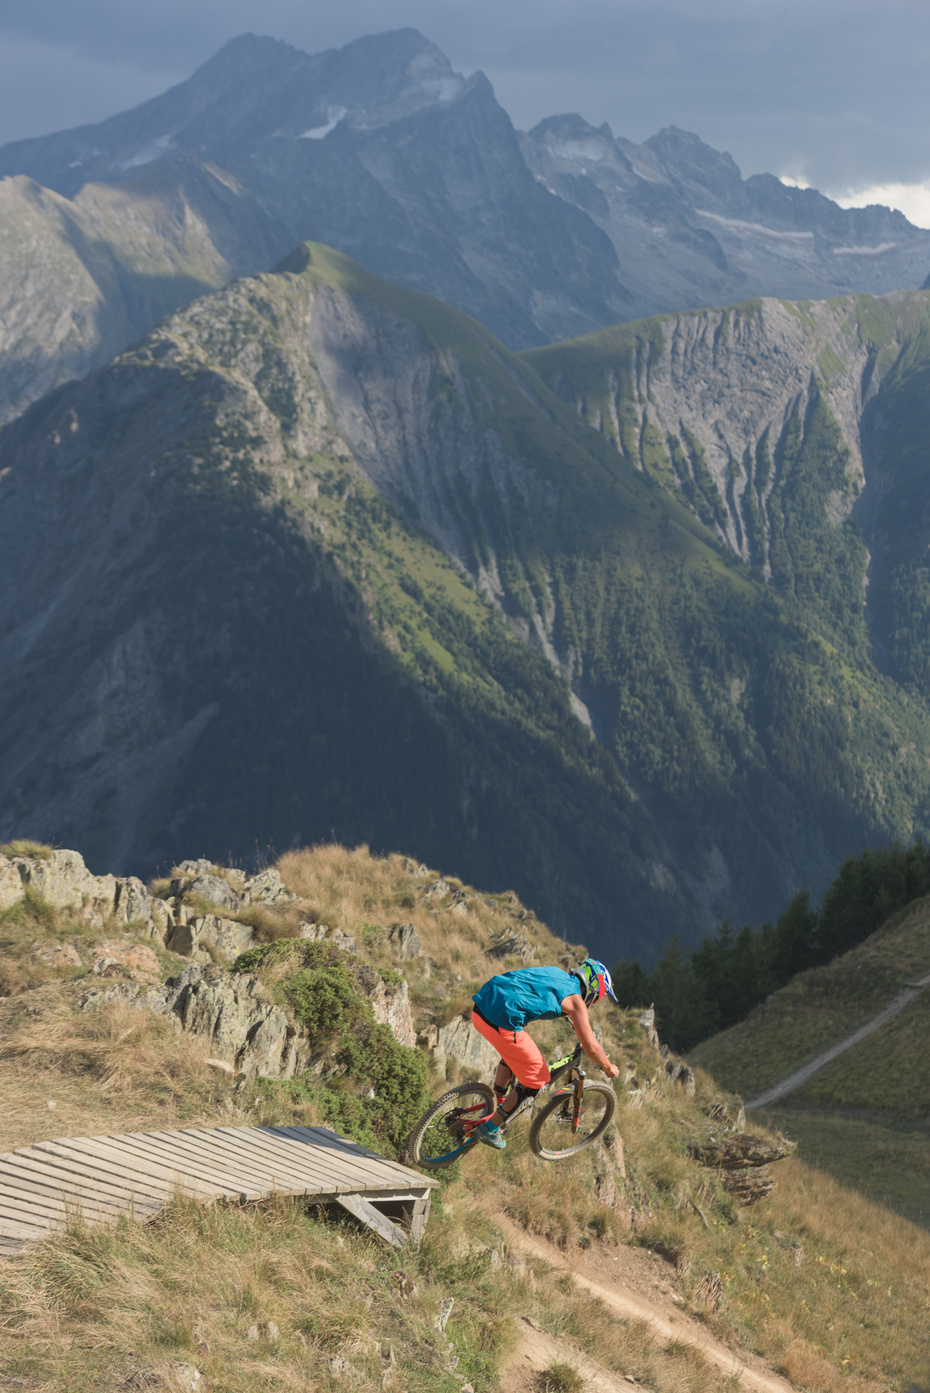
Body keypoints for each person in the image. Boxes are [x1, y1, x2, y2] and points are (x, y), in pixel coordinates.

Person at [469, 957, 620, 1149]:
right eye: (601, 995)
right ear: (595, 989)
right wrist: (608, 1066)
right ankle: (490, 1128)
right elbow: (591, 1047)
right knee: (536, 1081)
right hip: (501, 1022)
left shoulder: (555, 972)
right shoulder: (576, 1002)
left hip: (481, 1006)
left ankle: (493, 1103)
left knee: (515, 1055)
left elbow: (531, 987)